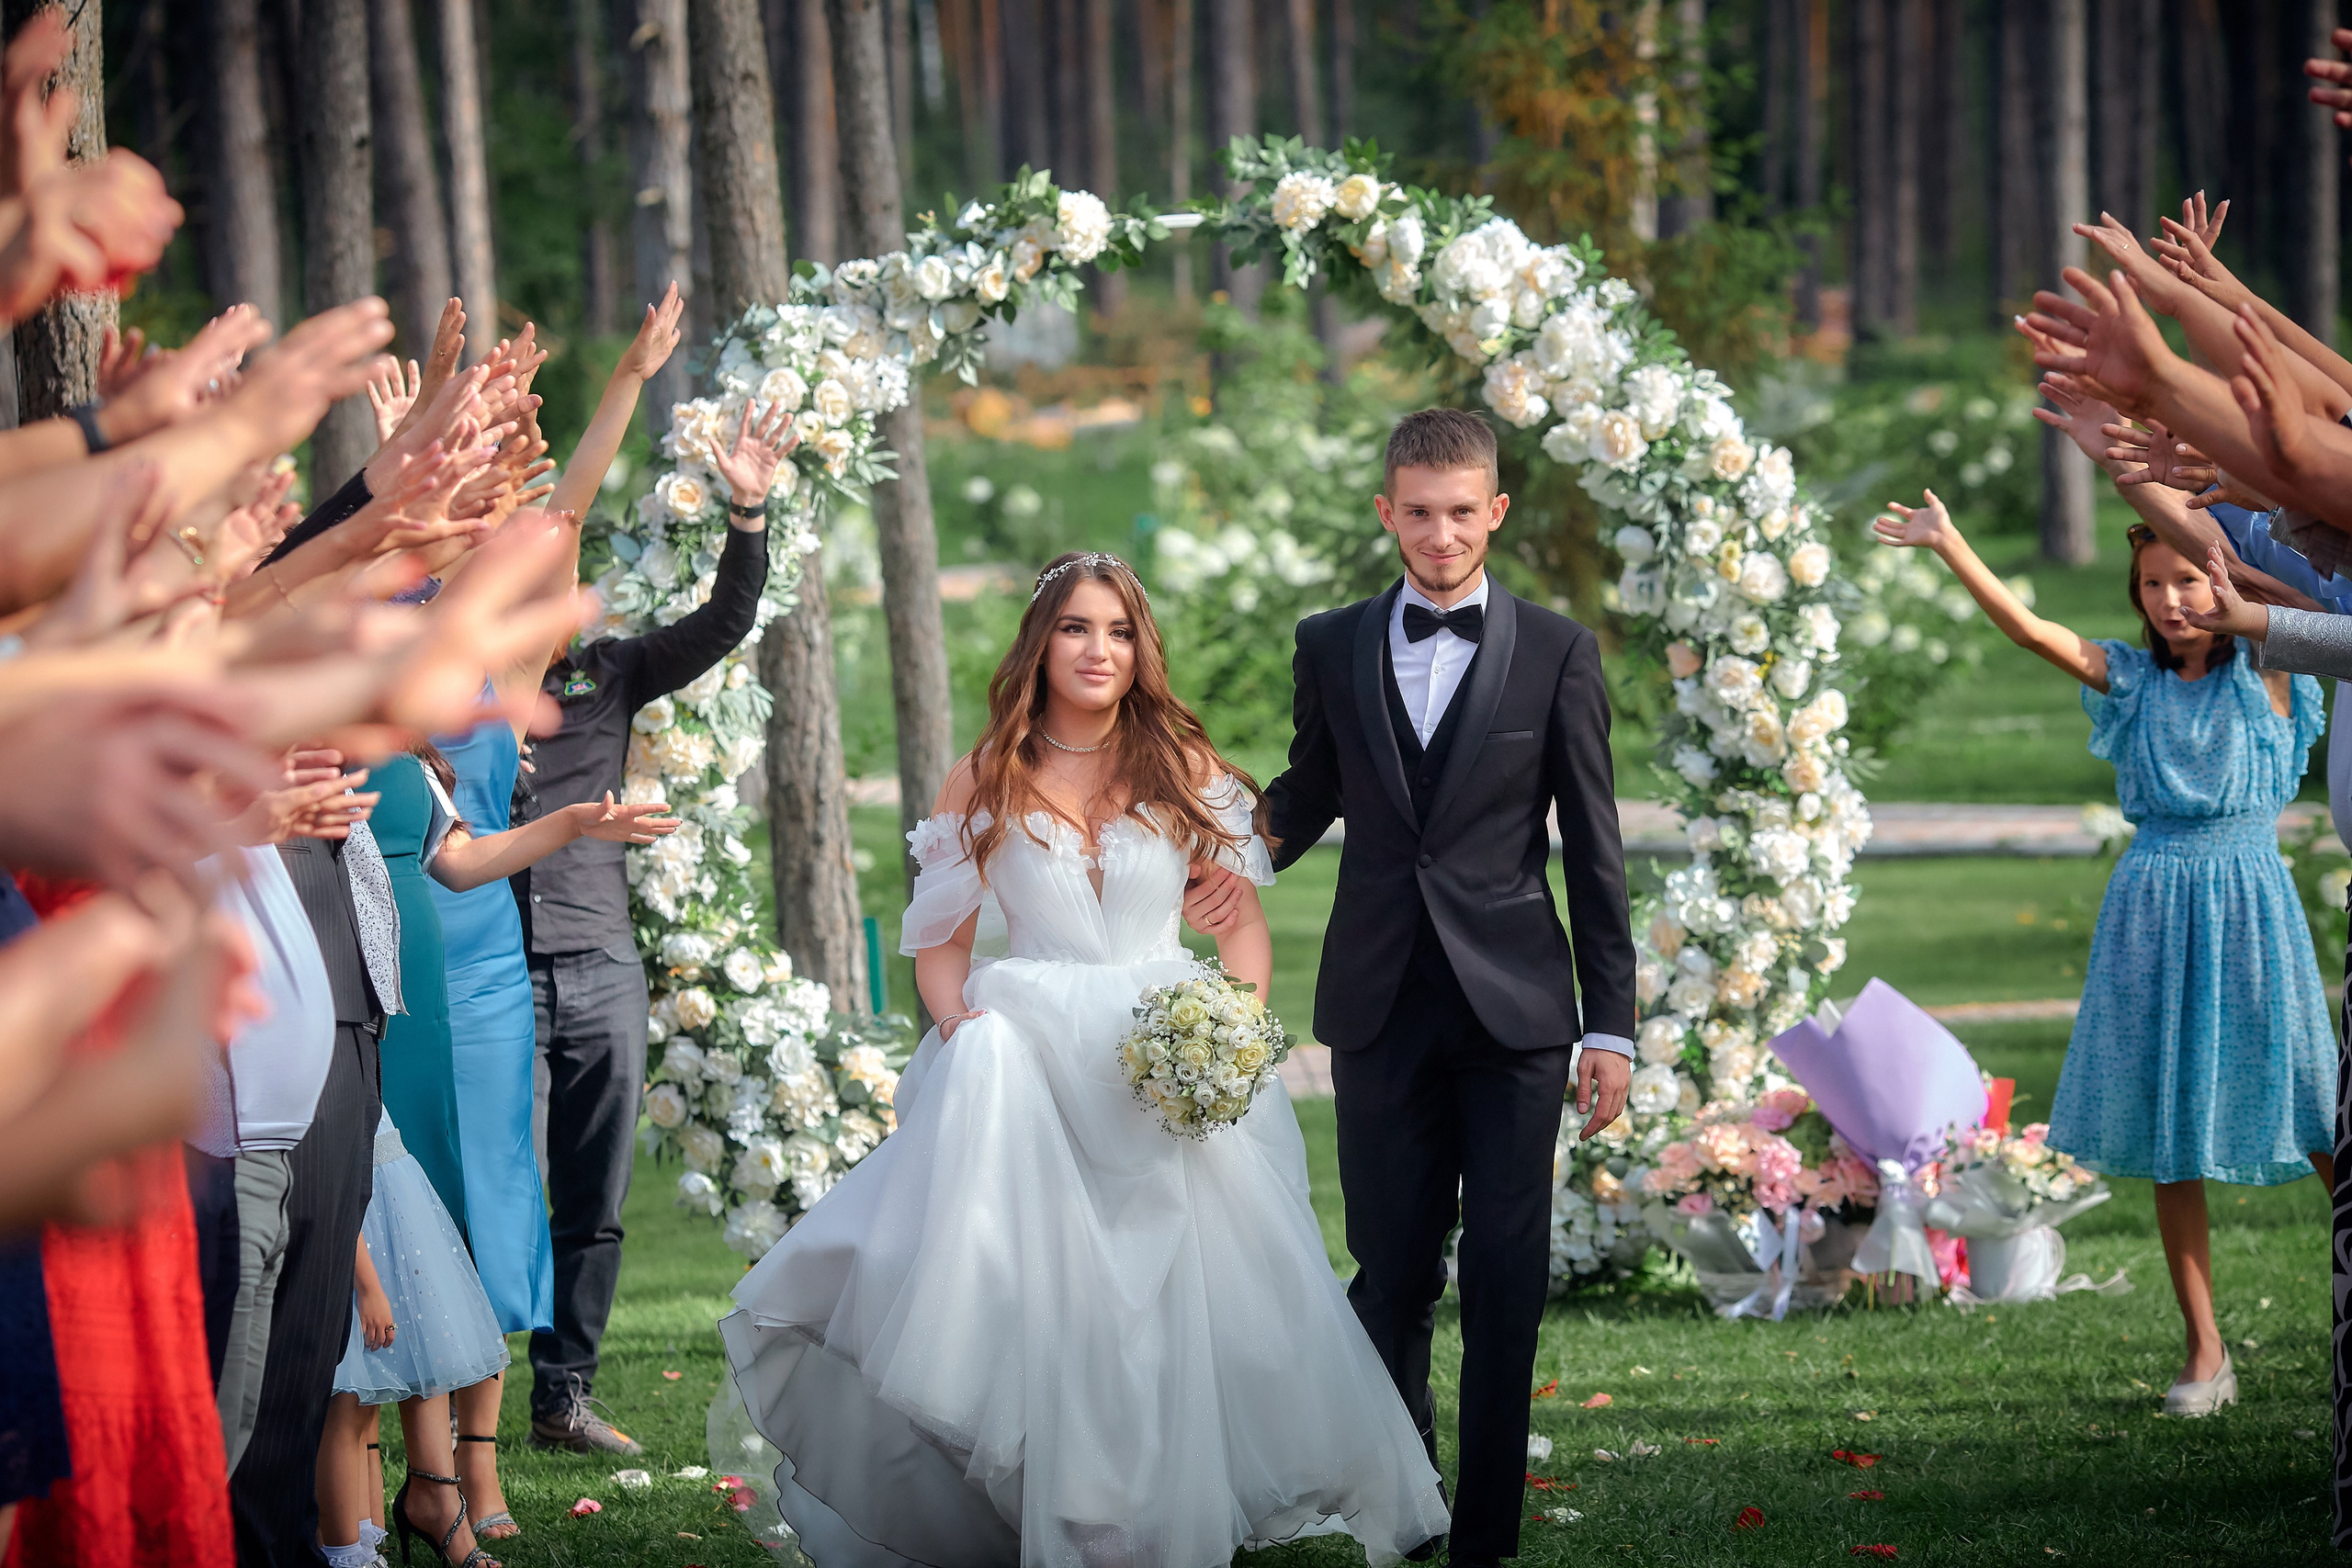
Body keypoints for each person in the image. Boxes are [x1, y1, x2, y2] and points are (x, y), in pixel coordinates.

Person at [721, 551, 1452, 1568]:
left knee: (1167, 1300)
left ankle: (1161, 1508)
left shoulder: (1185, 770)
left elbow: (1237, 928)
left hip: (1162, 1054)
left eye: (1115, 630)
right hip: (1027, 1059)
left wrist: (1228, 1029)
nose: (1096, 649)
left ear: (1138, 646)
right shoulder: (987, 773)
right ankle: (1059, 1511)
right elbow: (940, 946)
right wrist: (961, 1031)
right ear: (1040, 644)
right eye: (1074, 628)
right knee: (1049, 1297)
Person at [1242, 408, 1635, 1568]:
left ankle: (1487, 1533)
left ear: (1495, 512)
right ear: (1386, 513)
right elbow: (1308, 793)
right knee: (1394, 1266)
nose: (1440, 533)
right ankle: (1402, 1496)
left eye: (1462, 511)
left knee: (1507, 1274)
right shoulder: (1330, 643)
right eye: (1418, 512)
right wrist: (1198, 843)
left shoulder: (1559, 652)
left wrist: (1608, 1025)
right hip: (1376, 1005)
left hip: (1515, 1012)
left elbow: (1597, 848)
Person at [1874, 491, 2334, 1417]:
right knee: (2174, 1139)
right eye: (2150, 585)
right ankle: (2205, 1352)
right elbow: (2033, 633)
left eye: (2185, 579)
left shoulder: (2272, 668)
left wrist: (2215, 533)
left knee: (2318, 1117)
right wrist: (1953, 543)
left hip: (2250, 904)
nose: (2169, 600)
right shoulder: (2133, 681)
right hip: (2152, 910)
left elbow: (2299, 604)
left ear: (2222, 578)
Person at [514, 388, 791, 1456]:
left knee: (593, 1198)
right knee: (497, 1187)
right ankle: (456, 1407)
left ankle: (563, 1397)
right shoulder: (453, 691)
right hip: (492, 967)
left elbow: (726, 622)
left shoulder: (612, 672)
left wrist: (746, 516)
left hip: (600, 965)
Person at [315, 1106, 509, 1568]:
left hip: (379, 1152)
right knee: (347, 1387)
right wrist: (366, 1284)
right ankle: (348, 1540)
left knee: (417, 1326)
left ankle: (423, 1498)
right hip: (328, 1153)